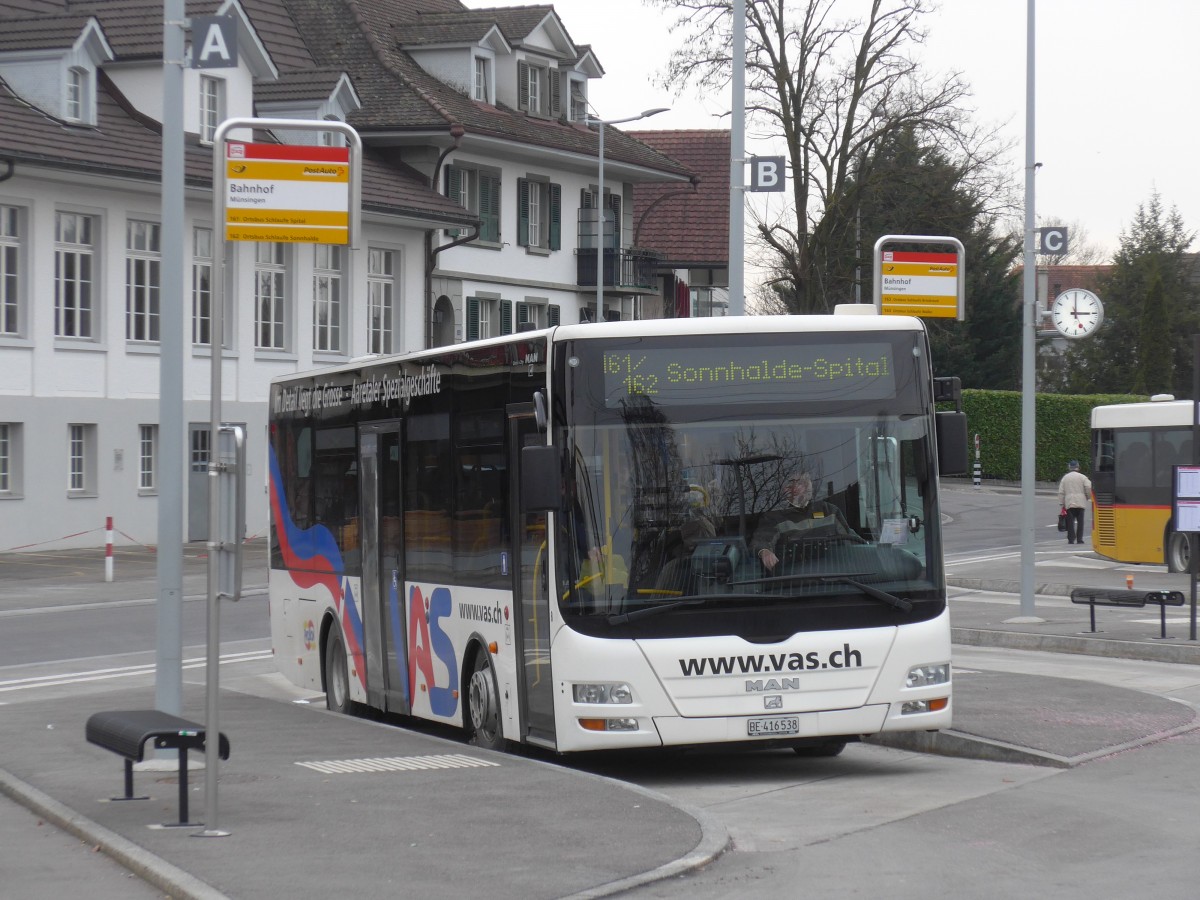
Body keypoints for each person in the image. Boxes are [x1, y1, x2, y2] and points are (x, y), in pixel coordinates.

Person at [751, 471, 850, 571]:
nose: (807, 486)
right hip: (795, 579)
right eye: (800, 483)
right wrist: (765, 551)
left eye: (808, 481)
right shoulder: (774, 517)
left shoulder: (830, 510)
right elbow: (762, 539)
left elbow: (849, 541)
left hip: (834, 576)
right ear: (787, 489)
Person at [1057, 459, 1093, 545]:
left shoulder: (1065, 478)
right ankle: (1080, 539)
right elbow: (1088, 487)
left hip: (1069, 502)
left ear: (1069, 467)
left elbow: (1061, 491)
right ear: (1078, 467)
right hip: (1080, 501)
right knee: (1080, 522)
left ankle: (1071, 539)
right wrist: (1088, 497)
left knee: (1070, 522)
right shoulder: (1083, 477)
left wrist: (1062, 503)